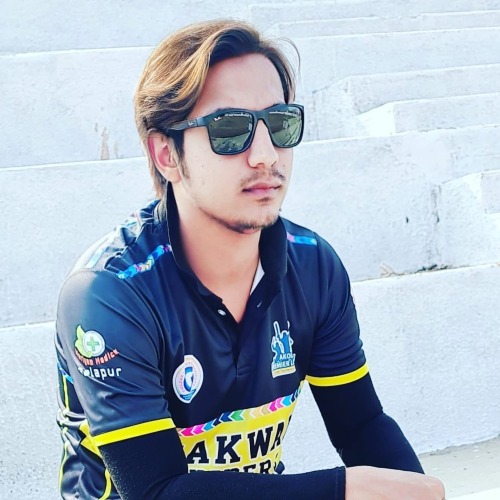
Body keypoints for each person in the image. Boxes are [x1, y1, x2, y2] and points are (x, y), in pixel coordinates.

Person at [55, 19, 445, 499]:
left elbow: (361, 424)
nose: (266, 155)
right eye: (230, 129)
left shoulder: (314, 268)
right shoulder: (109, 292)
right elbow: (156, 492)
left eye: (280, 124)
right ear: (166, 154)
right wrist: (342, 490)